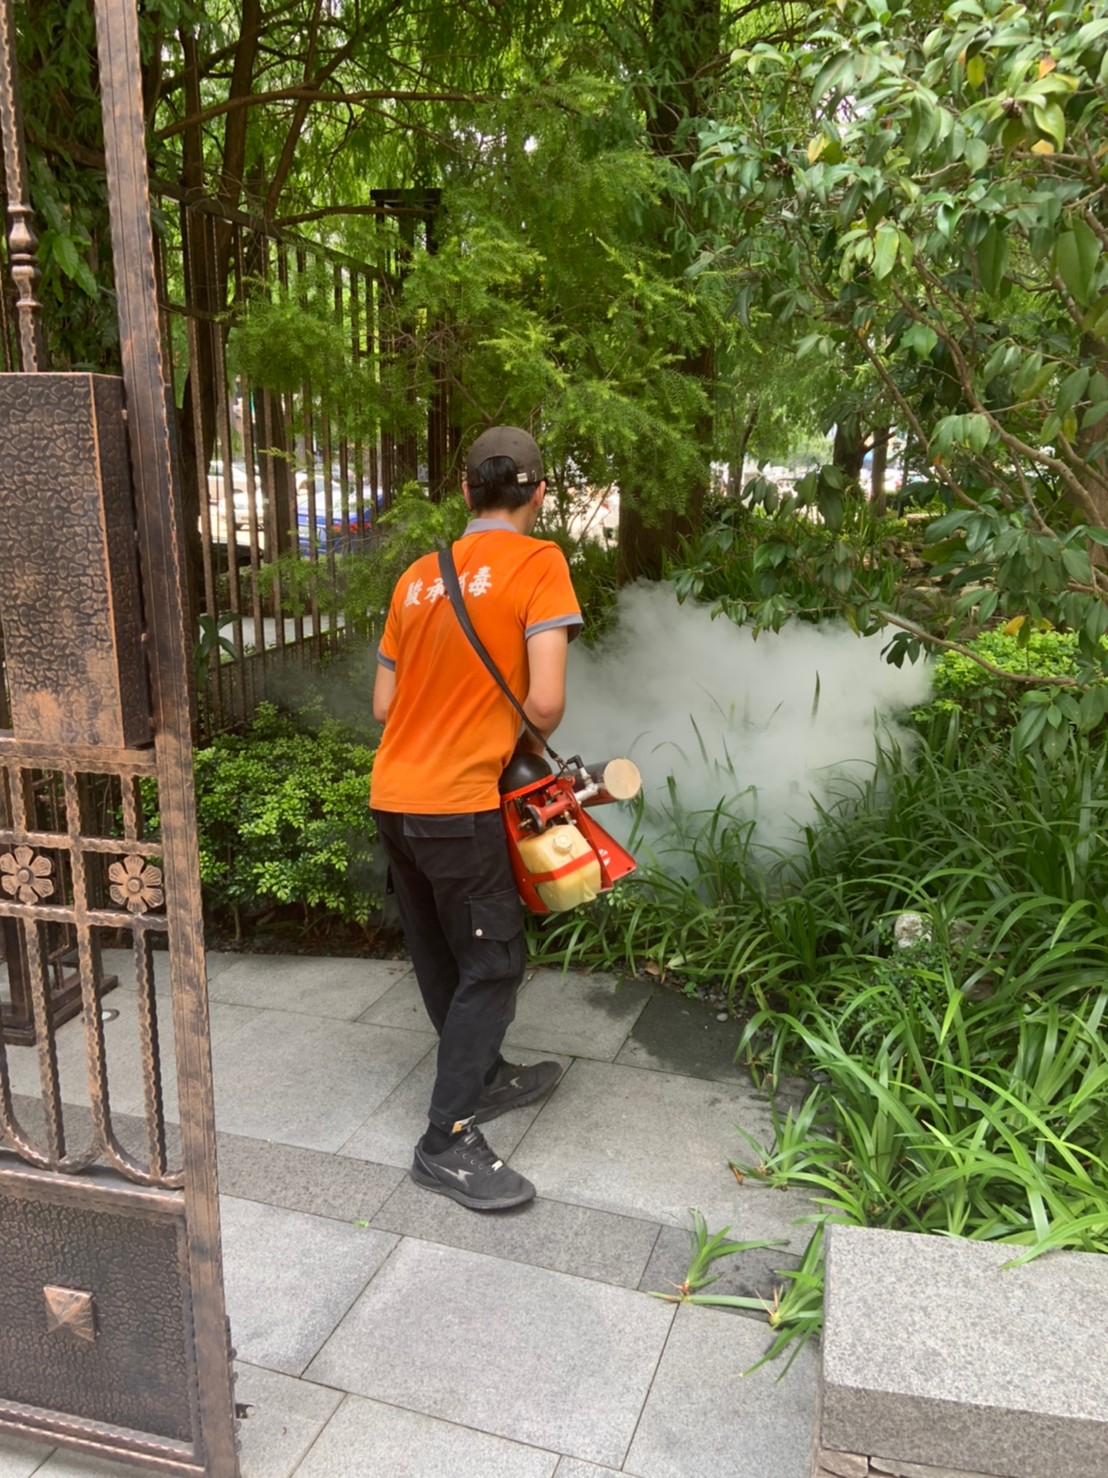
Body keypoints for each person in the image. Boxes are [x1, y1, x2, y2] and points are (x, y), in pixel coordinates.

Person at [370, 426, 582, 1211]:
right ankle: (447, 1140)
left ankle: (483, 1076)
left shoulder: (416, 577)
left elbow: (384, 704)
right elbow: (546, 703)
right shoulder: (540, 563)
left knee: (440, 953)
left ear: (465, 491)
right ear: (538, 493)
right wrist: (508, 744)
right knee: (491, 963)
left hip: (394, 797)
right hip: (461, 803)